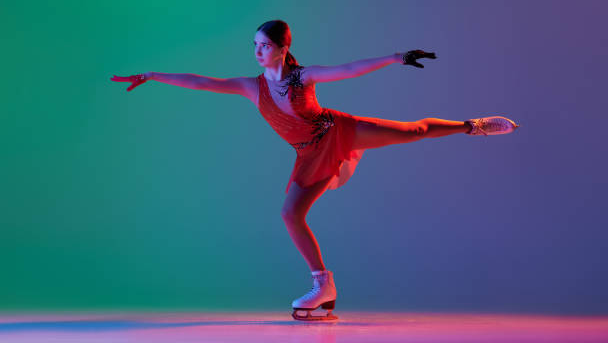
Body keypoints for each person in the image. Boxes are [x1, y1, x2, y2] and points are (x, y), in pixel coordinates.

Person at [111, 19, 520, 321]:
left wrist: (397, 57)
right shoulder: (251, 86)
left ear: (282, 49)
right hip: (308, 153)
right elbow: (201, 82)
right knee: (291, 214)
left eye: (263, 45)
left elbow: (348, 68)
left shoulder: (301, 77)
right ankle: (323, 284)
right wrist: (152, 75)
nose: (256, 51)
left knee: (412, 131)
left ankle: (474, 125)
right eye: (253, 44)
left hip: (336, 132)